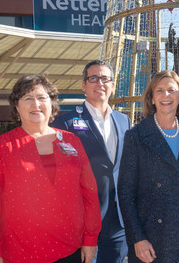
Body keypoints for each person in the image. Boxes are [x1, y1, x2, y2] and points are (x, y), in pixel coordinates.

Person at [0, 74, 101, 263]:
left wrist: (90, 239)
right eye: (28, 98)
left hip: (71, 252)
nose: (36, 104)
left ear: (51, 104)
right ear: (17, 107)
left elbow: (90, 194)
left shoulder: (71, 141)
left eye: (42, 98)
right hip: (20, 254)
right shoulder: (1, 147)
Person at [118, 70, 179, 263]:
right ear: (152, 99)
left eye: (171, 90)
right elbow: (126, 193)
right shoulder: (136, 136)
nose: (166, 95)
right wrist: (138, 239)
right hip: (152, 241)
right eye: (159, 90)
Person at [52, 60, 131, 263]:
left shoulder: (124, 121)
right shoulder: (65, 123)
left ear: (112, 85)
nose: (100, 83)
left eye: (105, 79)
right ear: (84, 85)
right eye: (93, 78)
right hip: (83, 220)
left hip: (118, 220)